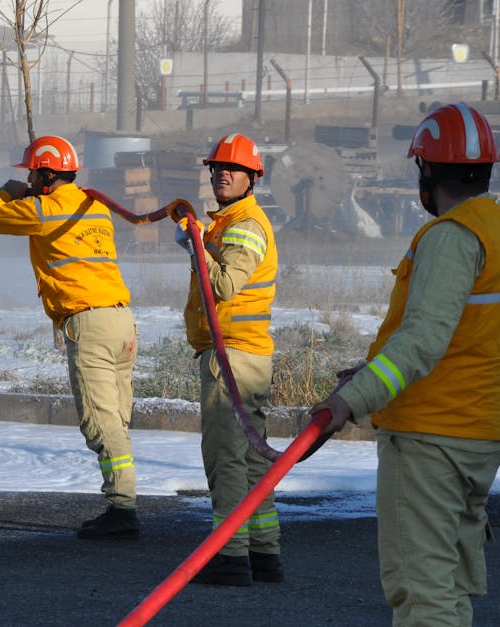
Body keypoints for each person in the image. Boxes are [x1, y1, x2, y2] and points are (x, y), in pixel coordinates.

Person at [310, 102, 500, 626]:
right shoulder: (499, 231)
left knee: (423, 597)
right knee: (448, 592)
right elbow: (461, 338)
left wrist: (349, 401)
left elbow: (424, 339)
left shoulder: (452, 237)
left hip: (431, 443)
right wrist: (368, 376)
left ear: (427, 170)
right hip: (474, 437)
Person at [0, 135, 140, 540]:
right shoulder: (94, 207)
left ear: (47, 175)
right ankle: (122, 502)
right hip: (122, 322)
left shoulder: (47, 209)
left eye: (33, 173)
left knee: (100, 423)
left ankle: (122, 509)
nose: (28, 179)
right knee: (117, 419)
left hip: (90, 325)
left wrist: (6, 191)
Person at [183, 133, 283, 586]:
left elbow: (223, 286)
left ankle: (229, 556)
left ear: (252, 177)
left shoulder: (244, 225)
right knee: (253, 461)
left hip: (233, 358)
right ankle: (264, 553)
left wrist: (195, 247)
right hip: (246, 354)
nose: (223, 173)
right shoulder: (231, 222)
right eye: (218, 167)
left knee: (226, 458)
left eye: (234, 168)